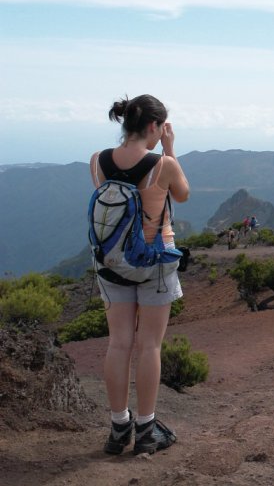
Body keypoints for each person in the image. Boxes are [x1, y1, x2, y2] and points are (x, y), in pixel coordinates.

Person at [89, 94, 189, 456]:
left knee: (118, 344)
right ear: (153, 126)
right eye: (161, 127)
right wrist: (170, 148)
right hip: (155, 264)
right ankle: (146, 429)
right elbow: (182, 196)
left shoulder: (97, 161)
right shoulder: (163, 165)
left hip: (111, 265)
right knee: (149, 345)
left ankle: (118, 428)